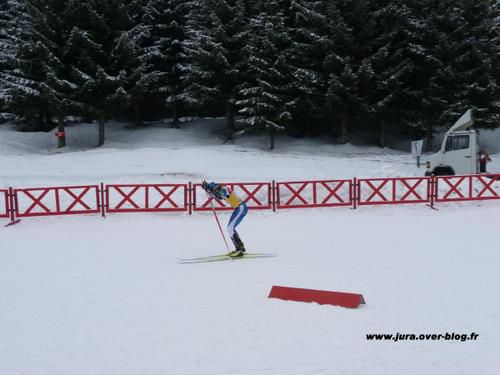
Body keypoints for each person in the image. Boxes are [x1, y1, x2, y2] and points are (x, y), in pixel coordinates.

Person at [201, 180, 248, 257]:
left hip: (241, 208)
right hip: (238, 208)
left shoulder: (224, 189)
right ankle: (239, 248)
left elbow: (220, 196)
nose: (216, 190)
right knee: (230, 229)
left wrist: (210, 192)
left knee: (230, 228)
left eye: (216, 189)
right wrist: (207, 188)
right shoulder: (219, 188)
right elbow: (215, 192)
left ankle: (239, 249)